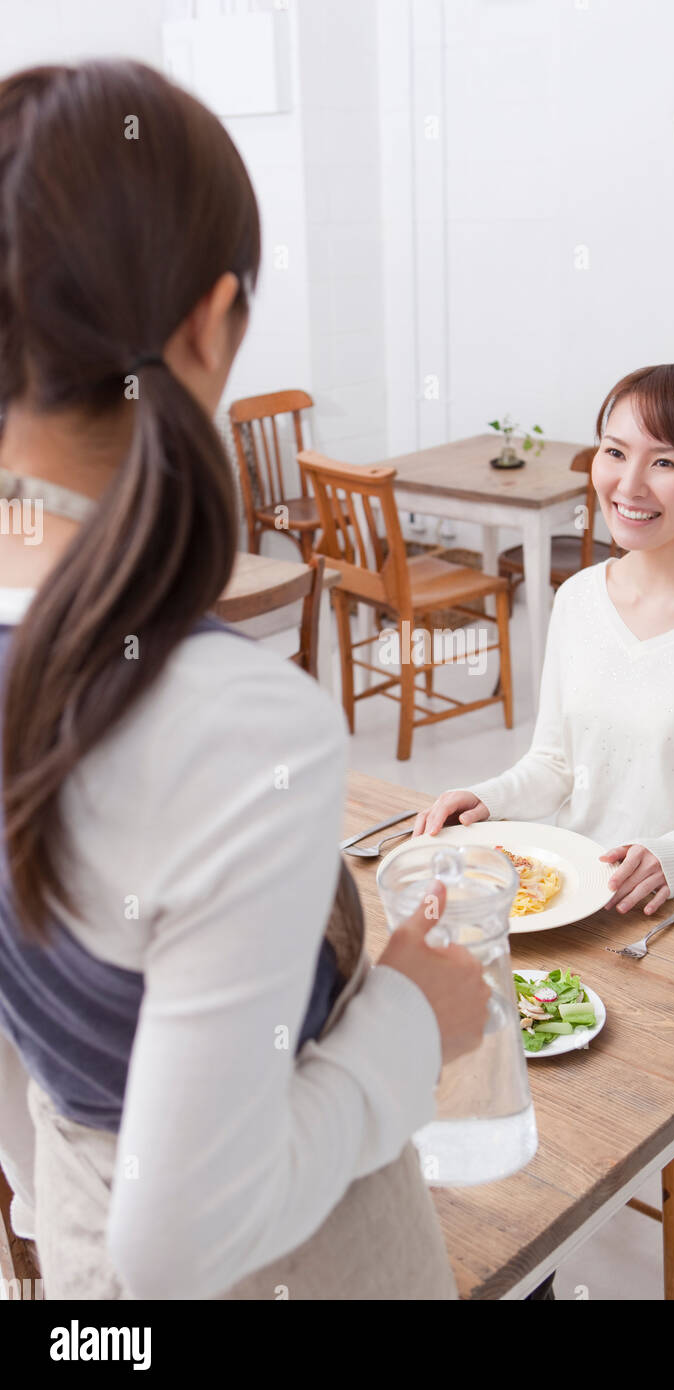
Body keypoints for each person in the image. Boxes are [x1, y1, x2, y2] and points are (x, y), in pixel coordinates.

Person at [0, 59, 490, 1301]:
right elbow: (184, 1250)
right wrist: (411, 1023)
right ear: (213, 322)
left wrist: (65, 1159)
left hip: (73, 1221)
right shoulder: (228, 720)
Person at [413, 362, 674, 1298]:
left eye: (665, 460)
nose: (629, 485)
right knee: (456, 1089)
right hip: (573, 910)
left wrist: (672, 856)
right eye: (614, 451)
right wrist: (489, 797)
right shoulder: (580, 598)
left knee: (544, 1109)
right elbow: (553, 765)